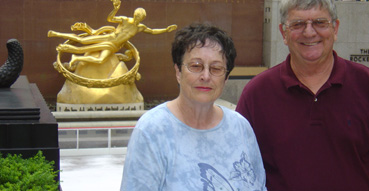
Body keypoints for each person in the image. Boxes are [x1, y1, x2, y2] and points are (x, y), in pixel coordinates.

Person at [236, 0, 369, 190]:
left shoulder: (365, 84)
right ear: (284, 33)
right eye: (298, 24)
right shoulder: (257, 94)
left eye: (320, 22)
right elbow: (241, 169)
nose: (309, 32)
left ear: (335, 28)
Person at [120, 23, 267, 191]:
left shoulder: (240, 127)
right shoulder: (152, 130)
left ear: (226, 78)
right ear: (178, 72)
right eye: (196, 66)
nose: (205, 76)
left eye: (216, 68)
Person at [48, 0, 177, 68]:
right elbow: (110, 19)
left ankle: (76, 58)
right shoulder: (125, 20)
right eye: (137, 16)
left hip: (114, 46)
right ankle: (56, 34)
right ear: (134, 15)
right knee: (82, 41)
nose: (138, 19)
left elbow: (152, 31)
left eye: (140, 18)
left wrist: (166, 29)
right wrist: (115, 9)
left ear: (142, 18)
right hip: (109, 37)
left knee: (100, 60)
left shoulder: (140, 27)